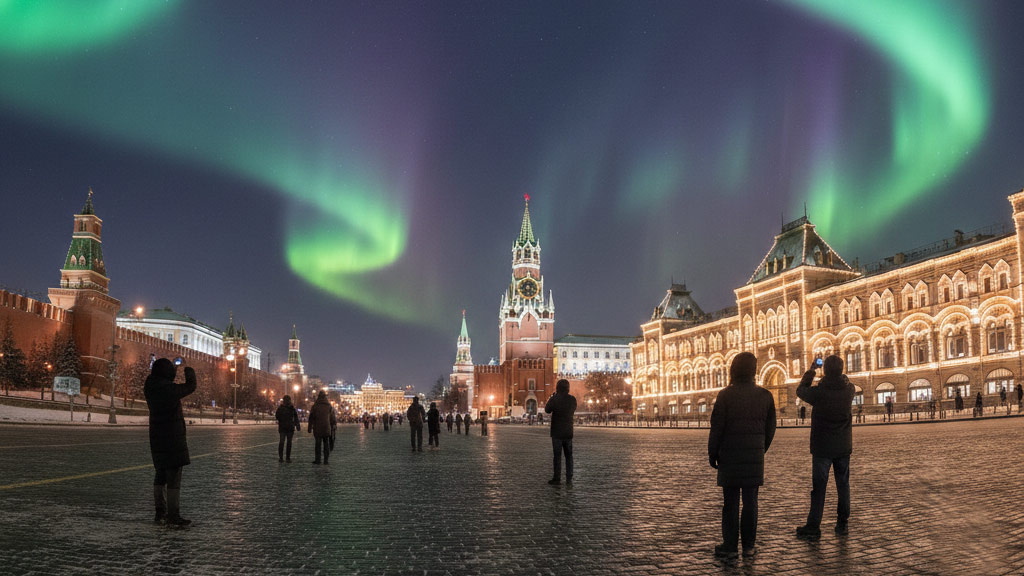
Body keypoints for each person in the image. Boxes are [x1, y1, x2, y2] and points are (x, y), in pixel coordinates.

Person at [707, 352, 776, 558]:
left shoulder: (725, 395)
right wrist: (760, 448)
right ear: (754, 371)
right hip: (754, 458)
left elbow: (716, 428)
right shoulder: (765, 395)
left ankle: (729, 546)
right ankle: (749, 546)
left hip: (729, 457)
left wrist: (713, 453)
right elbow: (770, 428)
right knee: (751, 503)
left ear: (734, 370)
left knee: (730, 503)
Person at [794, 355, 855, 541]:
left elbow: (800, 389)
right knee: (843, 485)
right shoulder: (849, 391)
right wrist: (841, 376)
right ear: (841, 370)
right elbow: (847, 381)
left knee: (818, 488)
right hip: (843, 447)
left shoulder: (818, 393)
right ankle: (842, 524)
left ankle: (814, 526)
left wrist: (812, 370)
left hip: (822, 448)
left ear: (825, 370)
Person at [144, 357, 197, 527]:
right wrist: (189, 371)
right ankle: (173, 516)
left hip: (157, 438)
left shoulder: (151, 387)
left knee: (160, 475)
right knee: (173, 478)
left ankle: (160, 513)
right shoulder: (168, 389)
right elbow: (190, 387)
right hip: (172, 438)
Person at [545, 379, 577, 486]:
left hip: (557, 432)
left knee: (557, 456)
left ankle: (557, 478)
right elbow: (573, 410)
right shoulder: (572, 399)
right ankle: (569, 478)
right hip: (568, 432)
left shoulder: (555, 399)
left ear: (557, 388)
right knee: (569, 456)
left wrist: (552, 397)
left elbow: (547, 410)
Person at [307, 391, 336, 464]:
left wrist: (309, 427)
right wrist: (334, 426)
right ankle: (326, 460)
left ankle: (318, 460)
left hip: (317, 428)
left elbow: (311, 417)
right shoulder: (329, 406)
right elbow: (332, 418)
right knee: (326, 444)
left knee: (318, 444)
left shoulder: (315, 406)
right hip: (327, 428)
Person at [275, 395, 300, 463]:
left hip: (284, 427)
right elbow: (296, 417)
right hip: (289, 427)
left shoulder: (281, 408)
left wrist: (281, 420)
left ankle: (281, 458)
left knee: (282, 442)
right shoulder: (291, 408)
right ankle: (287, 458)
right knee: (288, 443)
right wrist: (297, 425)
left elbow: (277, 416)